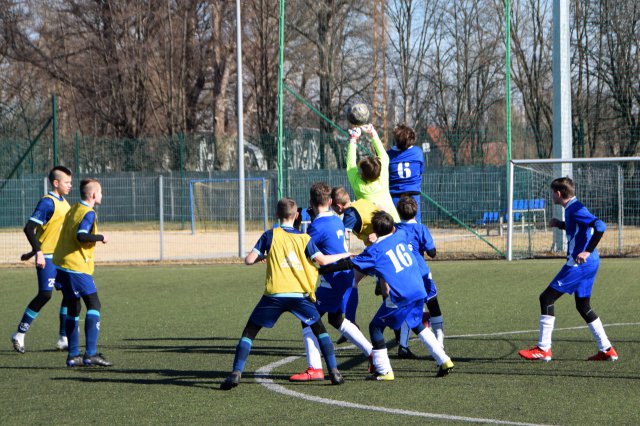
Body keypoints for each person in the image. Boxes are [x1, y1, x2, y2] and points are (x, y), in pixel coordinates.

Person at [220, 198, 352, 390]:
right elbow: (323, 261)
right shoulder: (304, 238)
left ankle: (236, 372)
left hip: (275, 295)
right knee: (320, 331)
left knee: (250, 332)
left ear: (276, 215)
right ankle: (334, 372)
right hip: (300, 295)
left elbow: (249, 260)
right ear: (297, 215)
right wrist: (344, 255)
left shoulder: (269, 235)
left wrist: (264, 256)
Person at [322, 211, 454, 380]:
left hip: (401, 295)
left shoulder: (374, 251)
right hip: (419, 289)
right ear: (393, 227)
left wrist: (323, 268)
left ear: (374, 232)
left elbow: (349, 263)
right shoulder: (401, 234)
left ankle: (384, 371)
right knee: (416, 323)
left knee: (375, 327)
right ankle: (444, 360)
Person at [519, 177, 618, 362]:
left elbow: (600, 226)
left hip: (580, 264)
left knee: (546, 298)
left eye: (552, 193)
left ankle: (543, 349)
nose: (552, 197)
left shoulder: (576, 208)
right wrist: (561, 224)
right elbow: (580, 227)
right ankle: (606, 349)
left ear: (558, 194)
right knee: (583, 306)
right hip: (591, 264)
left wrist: (587, 251)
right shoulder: (572, 209)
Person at [290, 183, 373, 382]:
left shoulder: (316, 227)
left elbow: (303, 250)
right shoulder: (337, 220)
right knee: (336, 319)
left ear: (311, 202)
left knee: (308, 319)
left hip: (333, 279)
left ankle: (315, 368)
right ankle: (372, 354)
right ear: (329, 202)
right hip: (345, 275)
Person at [11, 166, 72, 354]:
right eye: (67, 182)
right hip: (47, 258)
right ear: (56, 183)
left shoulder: (65, 202)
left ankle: (63, 338)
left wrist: (31, 252)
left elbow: (48, 233)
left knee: (71, 295)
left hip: (61, 257)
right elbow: (29, 228)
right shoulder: (47, 202)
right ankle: (19, 333)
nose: (70, 185)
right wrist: (37, 252)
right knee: (45, 295)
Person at [53, 178, 111, 367]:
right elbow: (81, 235)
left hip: (62, 265)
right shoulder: (88, 213)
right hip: (76, 267)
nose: (101, 195)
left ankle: (73, 356)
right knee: (94, 304)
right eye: (100, 192)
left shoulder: (74, 208)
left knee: (74, 307)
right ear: (94, 195)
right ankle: (91, 354)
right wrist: (101, 237)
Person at [394, 195, 445, 359]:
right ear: (416, 211)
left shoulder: (395, 229)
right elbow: (432, 253)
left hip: (403, 276)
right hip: (421, 274)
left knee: (408, 310)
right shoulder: (421, 229)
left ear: (398, 212)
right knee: (434, 306)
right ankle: (439, 344)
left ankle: (403, 345)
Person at [330, 186, 380, 342]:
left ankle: (349, 323)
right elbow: (384, 213)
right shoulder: (363, 202)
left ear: (338, 206)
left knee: (391, 295)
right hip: (381, 247)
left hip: (378, 252)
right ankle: (351, 323)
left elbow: (343, 238)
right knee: (353, 281)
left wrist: (342, 258)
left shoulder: (350, 214)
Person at [347, 123, 400, 222]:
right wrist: (373, 133)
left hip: (372, 231)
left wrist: (353, 139)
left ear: (362, 174)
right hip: (394, 223)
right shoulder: (383, 178)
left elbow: (350, 165)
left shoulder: (359, 187)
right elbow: (383, 156)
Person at [387, 124, 425, 223]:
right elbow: (420, 172)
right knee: (416, 225)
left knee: (396, 226)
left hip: (395, 196)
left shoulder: (389, 155)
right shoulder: (418, 152)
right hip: (413, 195)